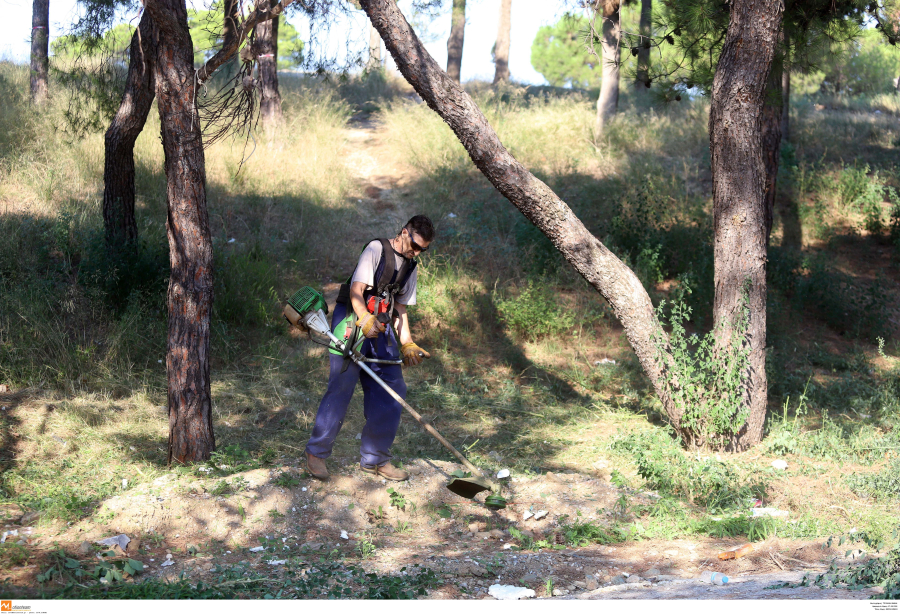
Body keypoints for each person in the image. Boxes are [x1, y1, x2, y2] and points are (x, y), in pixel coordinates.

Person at [304, 216, 434, 481]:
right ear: (404, 232)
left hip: (381, 325)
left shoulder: (411, 266)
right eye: (415, 245)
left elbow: (400, 308)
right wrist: (364, 318)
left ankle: (376, 459)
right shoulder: (376, 249)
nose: (417, 252)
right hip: (352, 320)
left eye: (423, 249)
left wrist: (407, 343)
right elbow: (356, 290)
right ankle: (316, 453)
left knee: (393, 388)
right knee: (341, 387)